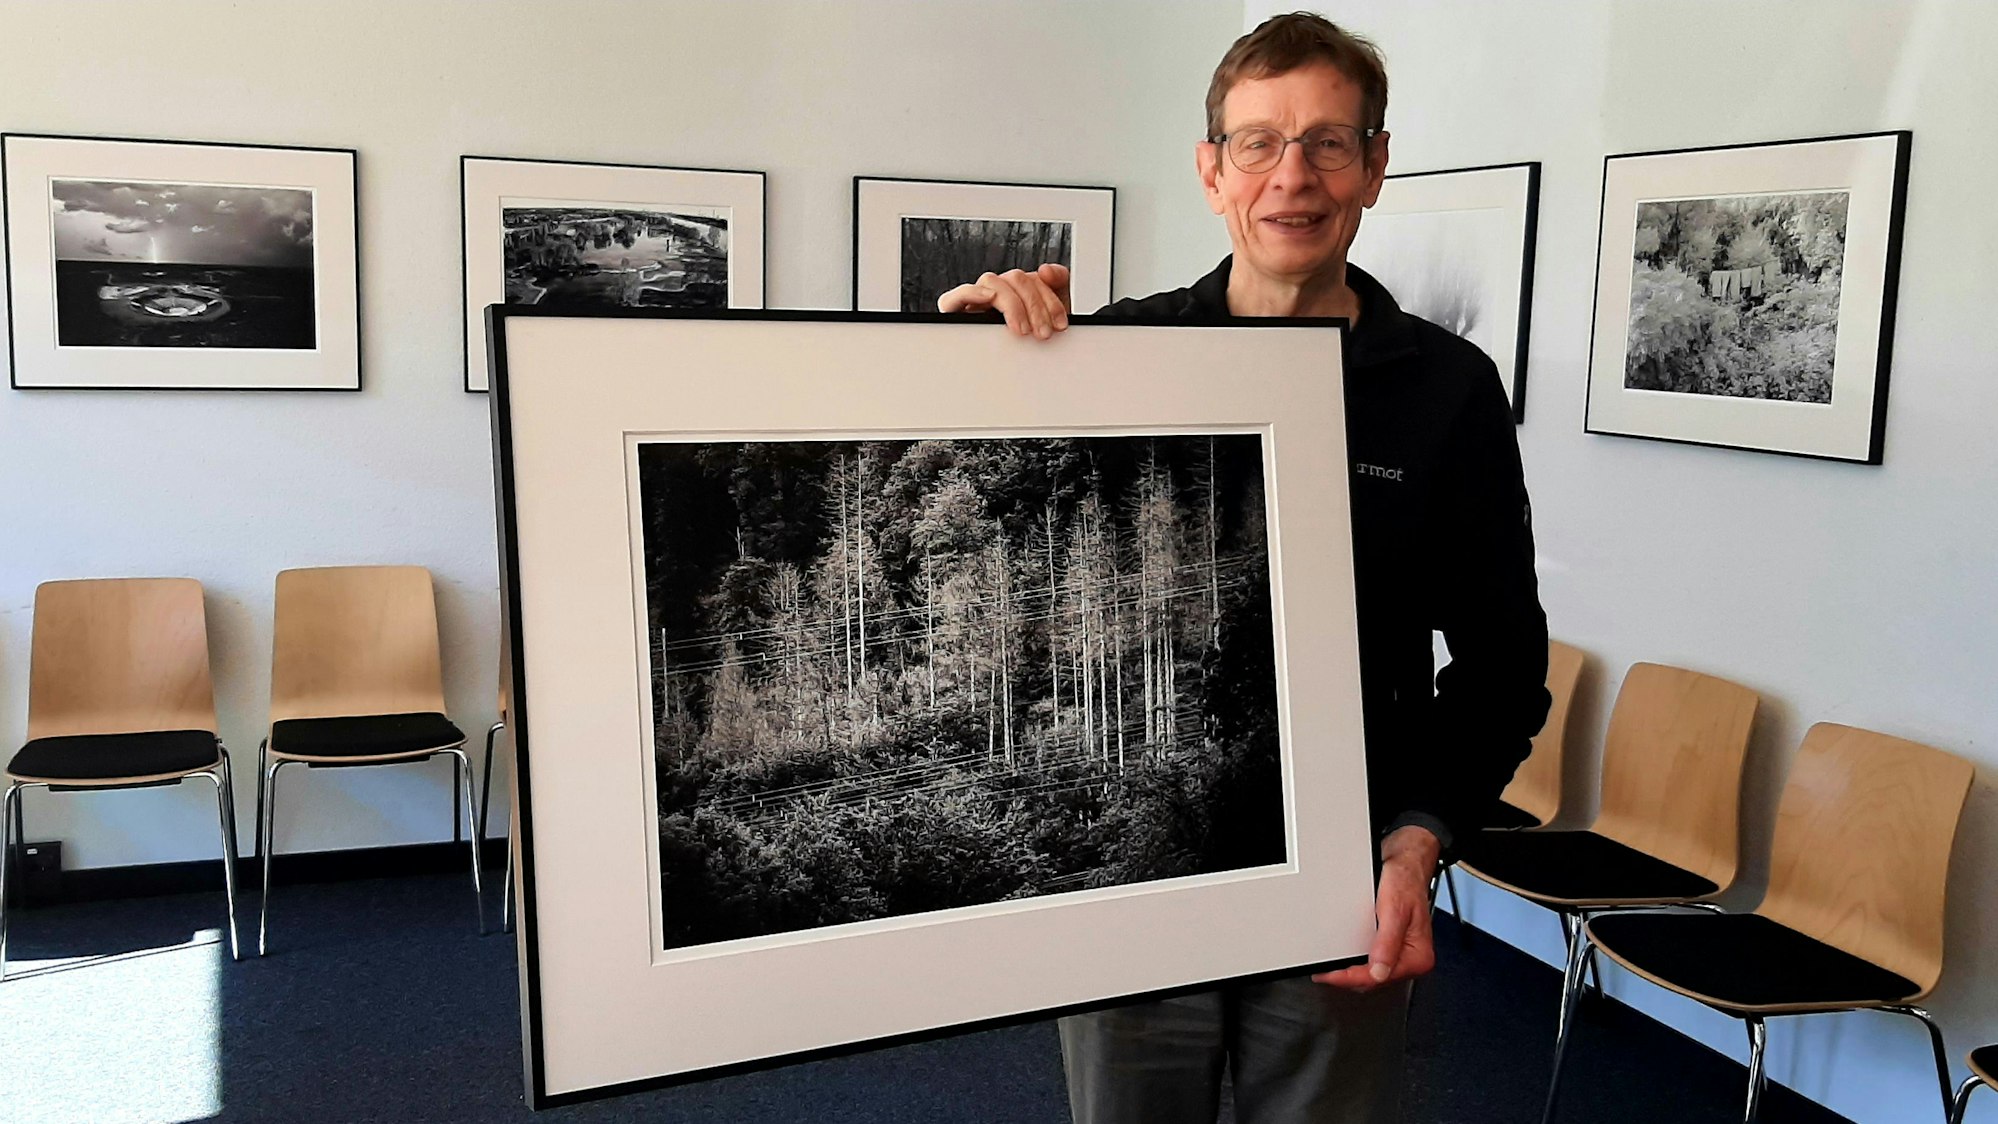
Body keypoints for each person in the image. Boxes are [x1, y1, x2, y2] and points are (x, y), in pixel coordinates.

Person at [938, 13, 1551, 1124]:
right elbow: (985, 536)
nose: (1293, 176)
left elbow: (1503, 669)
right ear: (1211, 170)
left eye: (1328, 142)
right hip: (1132, 878)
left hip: (1339, 892)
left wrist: (1417, 843)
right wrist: (971, 362)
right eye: (1259, 142)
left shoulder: (1450, 390)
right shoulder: (1106, 358)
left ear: (1375, 166)